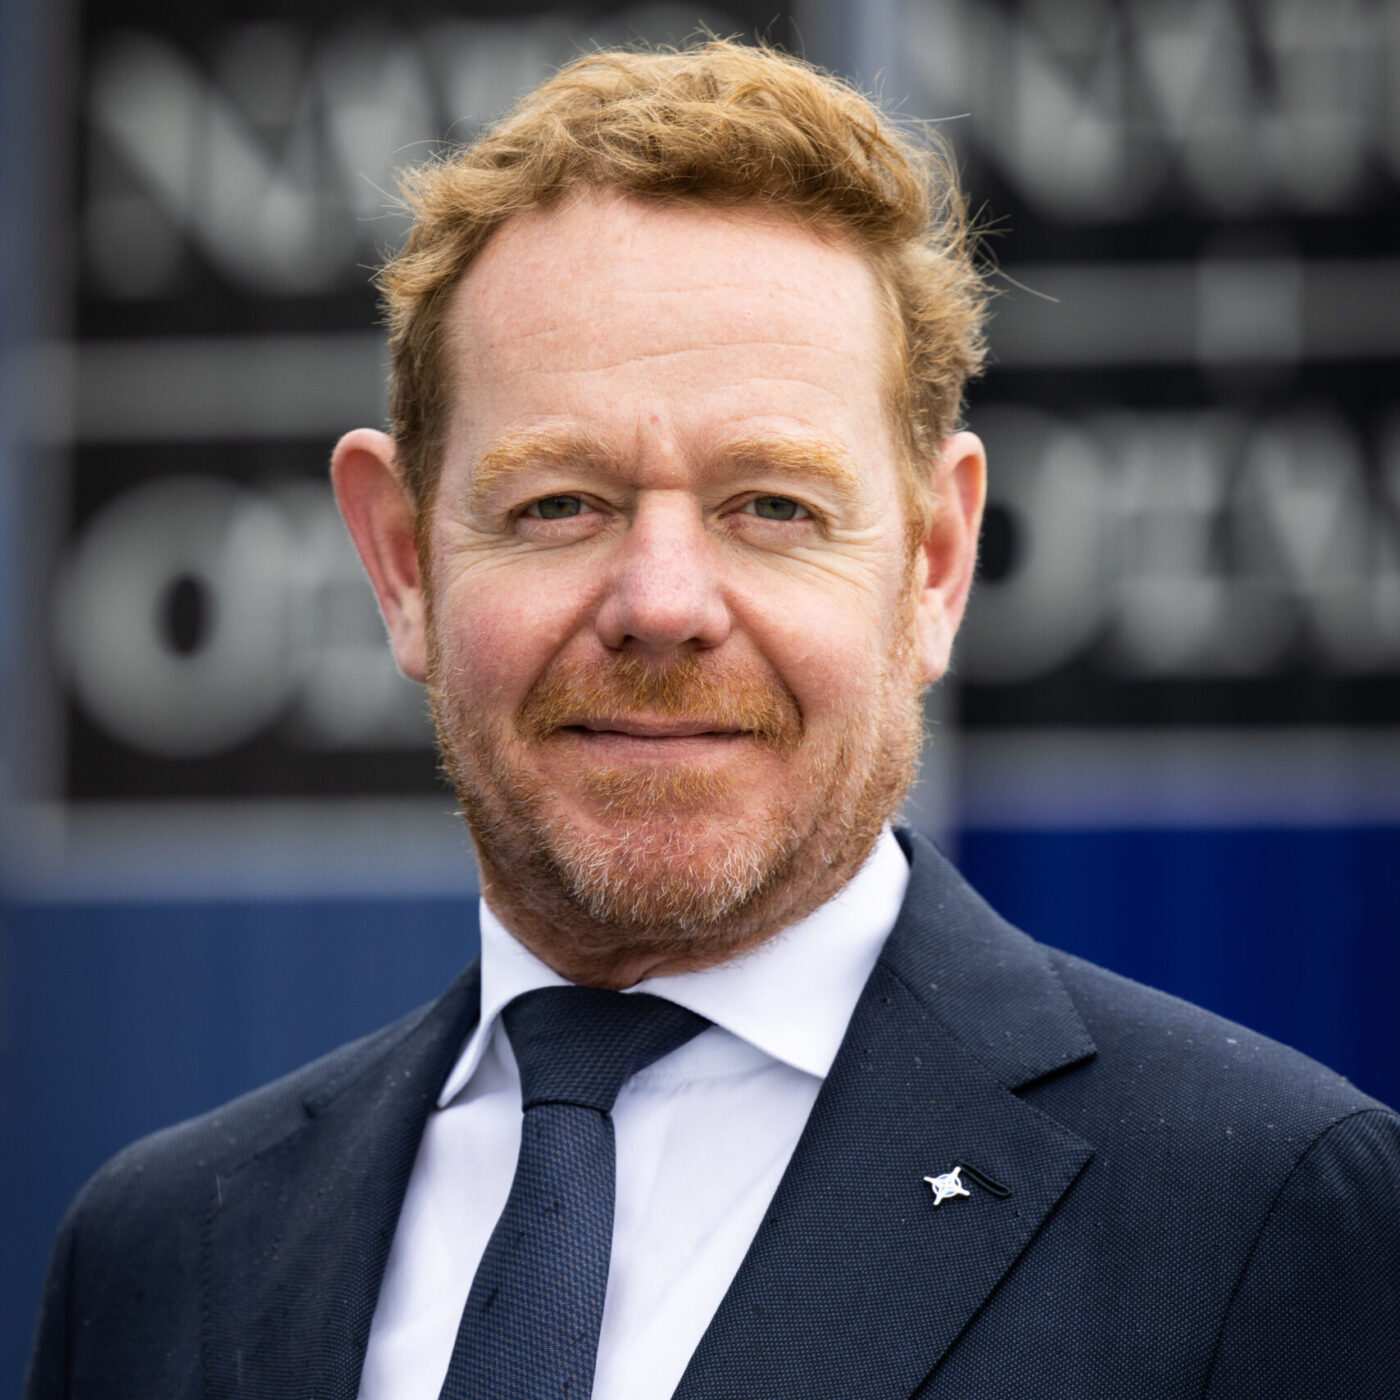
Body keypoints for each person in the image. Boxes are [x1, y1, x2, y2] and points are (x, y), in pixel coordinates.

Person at [26, 39, 1399, 1400]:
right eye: (559, 503)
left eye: (774, 507)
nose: (663, 604)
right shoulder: (162, 1256)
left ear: (932, 564)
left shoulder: (1268, 1213)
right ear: (401, 564)